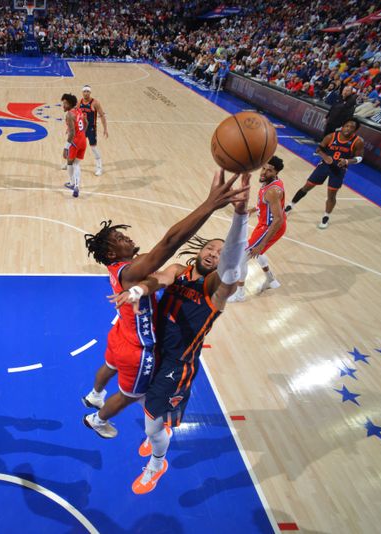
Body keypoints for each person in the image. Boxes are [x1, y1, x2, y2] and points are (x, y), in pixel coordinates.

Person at [111, 172, 252, 494]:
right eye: (210, 248)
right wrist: (137, 292)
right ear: (201, 250)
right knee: (149, 408)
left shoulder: (216, 287)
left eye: (221, 252)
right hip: (155, 352)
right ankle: (157, 438)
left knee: (152, 421)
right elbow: (158, 279)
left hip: (178, 364)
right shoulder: (180, 270)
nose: (214, 254)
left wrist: (240, 218)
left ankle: (157, 464)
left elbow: (231, 266)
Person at [82, 169, 248, 439]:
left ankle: (95, 394)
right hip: (138, 348)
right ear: (113, 253)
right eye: (122, 239)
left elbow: (159, 275)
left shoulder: (120, 267)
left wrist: (143, 287)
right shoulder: (132, 270)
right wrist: (210, 204)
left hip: (120, 334)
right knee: (129, 396)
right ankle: (97, 419)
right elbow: (170, 242)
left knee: (109, 364)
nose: (129, 238)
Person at [284, 119, 364, 229]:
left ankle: (326, 216)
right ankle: (290, 205)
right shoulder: (331, 136)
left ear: (355, 130)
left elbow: (359, 158)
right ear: (343, 126)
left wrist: (347, 161)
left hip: (339, 170)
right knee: (307, 186)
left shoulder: (357, 141)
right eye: (347, 126)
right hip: (324, 166)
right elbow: (318, 149)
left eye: (351, 127)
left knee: (331, 195)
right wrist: (325, 157)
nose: (348, 129)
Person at [228, 156, 286, 302]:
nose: (264, 172)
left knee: (241, 259)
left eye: (269, 170)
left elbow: (278, 219)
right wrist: (251, 210)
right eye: (264, 168)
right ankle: (271, 280)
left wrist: (261, 244)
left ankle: (239, 294)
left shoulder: (273, 191)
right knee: (255, 252)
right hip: (265, 225)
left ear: (276, 173)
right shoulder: (269, 183)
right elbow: (265, 205)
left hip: (270, 227)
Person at [61, 93, 87, 198]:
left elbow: (71, 133)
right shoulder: (79, 110)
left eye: (65, 104)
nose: (63, 106)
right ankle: (75, 184)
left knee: (70, 163)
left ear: (70, 104)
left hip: (75, 142)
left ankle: (74, 184)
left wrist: (66, 147)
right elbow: (86, 123)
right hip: (83, 141)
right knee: (76, 164)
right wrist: (82, 134)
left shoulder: (69, 114)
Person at [78, 85, 108, 176]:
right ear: (82, 92)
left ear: (90, 92)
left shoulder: (95, 103)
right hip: (82, 128)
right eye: (84, 91)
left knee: (93, 148)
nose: (86, 93)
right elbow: (76, 114)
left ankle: (99, 168)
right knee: (76, 146)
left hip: (91, 128)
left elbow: (102, 115)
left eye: (88, 91)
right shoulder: (79, 102)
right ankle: (71, 163)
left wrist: (105, 128)